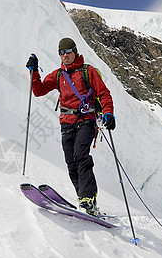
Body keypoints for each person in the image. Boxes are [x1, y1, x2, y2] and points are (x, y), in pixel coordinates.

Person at [26, 37, 115, 216]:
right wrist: (34, 71)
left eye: (67, 51)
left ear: (75, 51)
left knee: (81, 155)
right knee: (71, 162)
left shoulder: (88, 72)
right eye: (61, 52)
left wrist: (108, 112)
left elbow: (103, 93)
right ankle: (85, 200)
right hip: (66, 123)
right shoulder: (59, 75)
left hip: (86, 120)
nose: (64, 55)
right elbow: (39, 91)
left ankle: (88, 198)